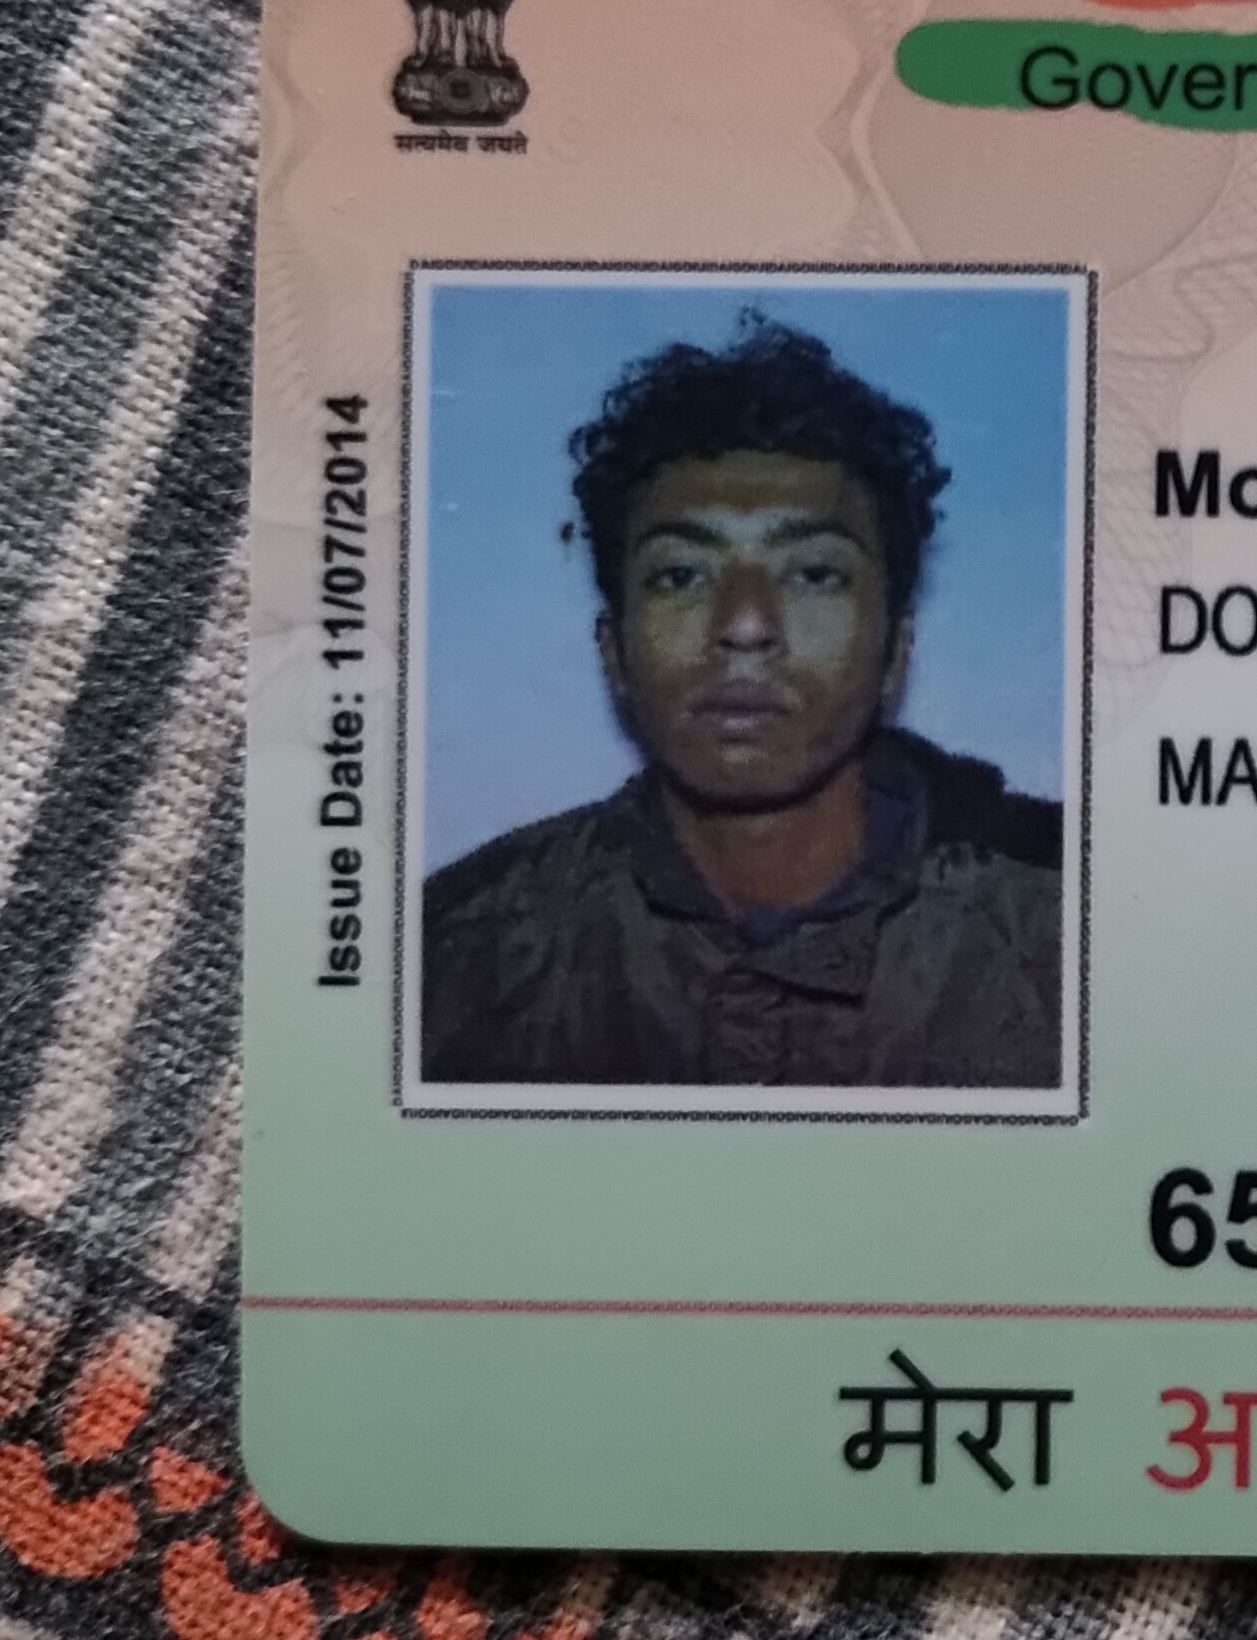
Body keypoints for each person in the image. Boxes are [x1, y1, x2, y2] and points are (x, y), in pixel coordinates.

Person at [422, 313, 1066, 1089]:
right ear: (614, 649)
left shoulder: (1072, 930)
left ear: (896, 648)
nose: (746, 625)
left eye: (815, 573)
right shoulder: (457, 957)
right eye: (682, 575)